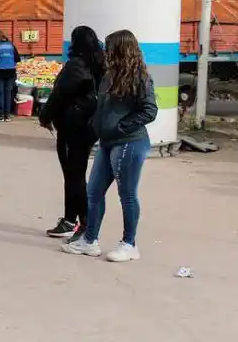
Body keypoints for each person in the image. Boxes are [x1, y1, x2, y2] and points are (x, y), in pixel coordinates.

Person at [62, 29, 157, 263]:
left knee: (127, 195)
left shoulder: (139, 77)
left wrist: (121, 127)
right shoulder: (109, 75)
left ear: (121, 50)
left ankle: (129, 244)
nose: (104, 51)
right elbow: (102, 108)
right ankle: (90, 240)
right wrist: (94, 127)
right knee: (93, 192)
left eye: (109, 47)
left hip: (129, 143)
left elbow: (149, 110)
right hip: (107, 143)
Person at [39, 26, 105, 239]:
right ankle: (72, 220)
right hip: (88, 127)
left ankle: (82, 224)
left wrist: (45, 117)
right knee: (75, 174)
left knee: (74, 176)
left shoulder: (76, 65)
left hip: (72, 127)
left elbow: (59, 95)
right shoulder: (99, 63)